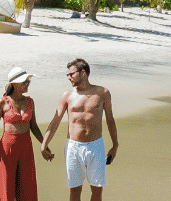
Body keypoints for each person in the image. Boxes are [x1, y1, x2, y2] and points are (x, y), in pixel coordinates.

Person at [40, 58, 119, 201]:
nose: (69, 77)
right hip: (73, 147)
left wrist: (115, 145)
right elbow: (55, 121)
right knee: (75, 192)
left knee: (97, 191)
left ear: (83, 73)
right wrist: (44, 144)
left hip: (96, 146)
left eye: (71, 74)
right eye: (67, 75)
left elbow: (110, 119)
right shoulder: (67, 95)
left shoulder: (102, 93)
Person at [0, 66, 46, 201]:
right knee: (7, 185)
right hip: (7, 147)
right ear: (15, 84)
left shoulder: (30, 101)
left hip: (26, 146)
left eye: (28, 81)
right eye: (25, 82)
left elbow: (34, 126)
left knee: (27, 185)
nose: (28, 84)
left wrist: (44, 144)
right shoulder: (2, 102)